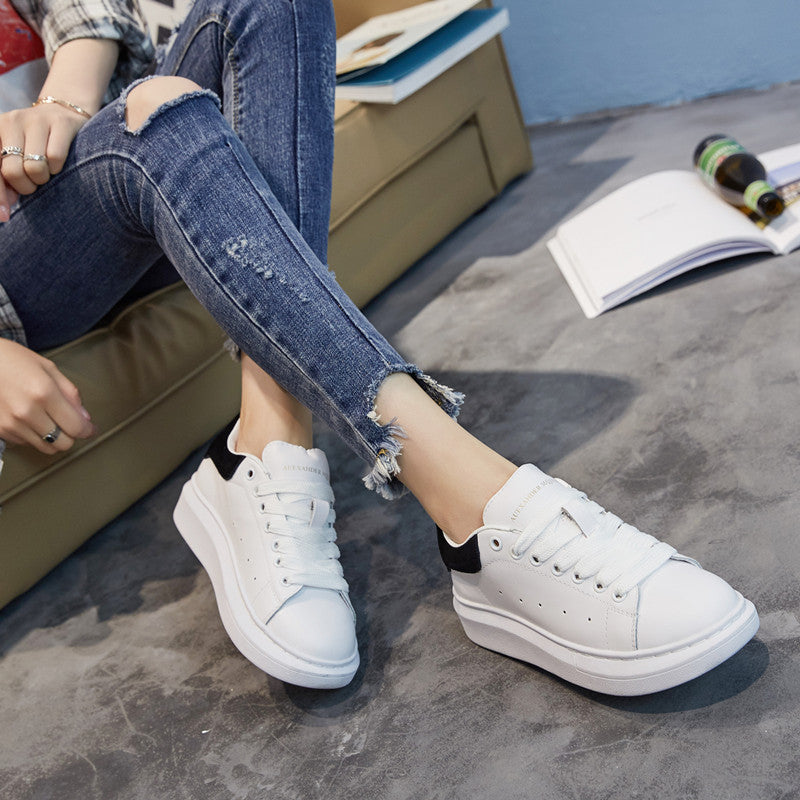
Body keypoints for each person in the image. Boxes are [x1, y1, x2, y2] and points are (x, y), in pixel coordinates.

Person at [0, 0, 759, 696]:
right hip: (29, 259)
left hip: (67, 163)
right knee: (153, 119)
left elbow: (84, 12)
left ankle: (266, 441)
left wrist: (60, 105)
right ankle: (474, 504)